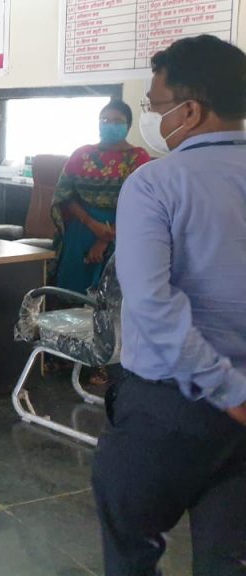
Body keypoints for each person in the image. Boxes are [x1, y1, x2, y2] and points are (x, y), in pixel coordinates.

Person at [93, 34, 246, 575]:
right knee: (230, 556)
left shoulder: (155, 183)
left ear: (191, 110)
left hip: (172, 407)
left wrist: (227, 391)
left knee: (132, 544)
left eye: (155, 106)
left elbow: (152, 303)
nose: (151, 119)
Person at [50, 99, 150, 294]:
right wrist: (91, 223)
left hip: (122, 232)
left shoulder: (138, 157)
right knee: (71, 292)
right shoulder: (82, 154)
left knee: (110, 295)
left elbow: (142, 205)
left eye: (117, 121)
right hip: (81, 229)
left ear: (128, 125)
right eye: (104, 120)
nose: (110, 125)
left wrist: (105, 239)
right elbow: (65, 195)